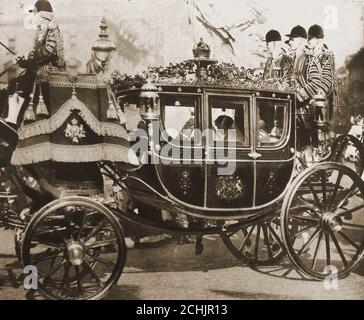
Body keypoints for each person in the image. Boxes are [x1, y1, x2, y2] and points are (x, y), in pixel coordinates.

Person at [0, 0, 65, 165]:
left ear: (43, 15)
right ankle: (12, 117)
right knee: (17, 81)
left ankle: (13, 118)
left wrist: (30, 59)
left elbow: (49, 51)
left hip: (51, 72)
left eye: (37, 15)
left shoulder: (51, 28)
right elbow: (39, 54)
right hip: (41, 70)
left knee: (22, 82)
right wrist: (26, 61)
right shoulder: (43, 30)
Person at [307, 24, 338, 121]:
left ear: (317, 40)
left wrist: (317, 97)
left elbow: (327, 79)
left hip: (322, 101)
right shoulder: (311, 55)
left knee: (320, 130)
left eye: (310, 38)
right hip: (312, 100)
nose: (308, 41)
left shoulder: (326, 56)